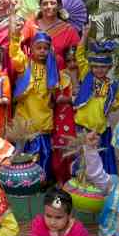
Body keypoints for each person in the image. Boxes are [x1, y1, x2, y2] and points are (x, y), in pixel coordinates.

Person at [74, 24, 119, 175]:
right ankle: (81, 179)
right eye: (96, 66)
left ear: (109, 68)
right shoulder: (87, 75)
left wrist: (111, 107)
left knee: (101, 155)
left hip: (101, 128)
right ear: (91, 67)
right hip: (82, 125)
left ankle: (100, 180)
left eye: (103, 67)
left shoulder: (112, 85)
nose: (99, 69)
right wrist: (84, 36)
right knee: (82, 155)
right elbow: (79, 55)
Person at [9, 14, 60, 177]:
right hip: (25, 118)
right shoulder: (26, 65)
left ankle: (40, 181)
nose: (42, 52)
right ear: (32, 48)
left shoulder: (52, 70)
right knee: (21, 153)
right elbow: (15, 55)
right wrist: (16, 35)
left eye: (46, 48)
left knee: (43, 154)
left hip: (43, 119)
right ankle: (20, 180)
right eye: (39, 48)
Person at [21, 0, 80, 70]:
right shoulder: (32, 24)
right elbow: (17, 42)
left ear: (59, 6)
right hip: (34, 74)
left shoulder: (69, 30)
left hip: (59, 74)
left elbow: (77, 55)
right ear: (40, 7)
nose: (49, 6)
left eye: (52, 3)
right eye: (45, 4)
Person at [51, 47, 79, 185]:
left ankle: (73, 181)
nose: (72, 64)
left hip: (78, 120)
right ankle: (60, 181)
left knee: (75, 150)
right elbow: (57, 98)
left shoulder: (86, 76)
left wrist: (74, 78)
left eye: (75, 60)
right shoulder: (60, 76)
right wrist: (71, 100)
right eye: (69, 61)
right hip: (62, 118)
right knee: (60, 149)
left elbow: (80, 99)